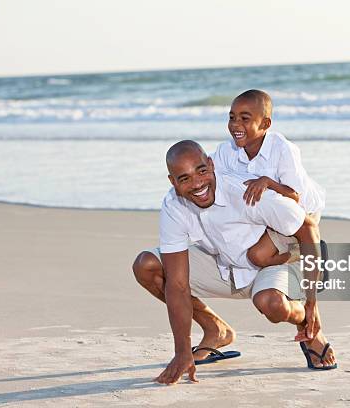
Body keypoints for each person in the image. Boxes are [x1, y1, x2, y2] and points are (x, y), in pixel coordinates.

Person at [132, 140, 336, 385]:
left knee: (270, 303)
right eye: (184, 178)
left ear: (211, 164)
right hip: (225, 266)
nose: (197, 184)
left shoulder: (246, 191)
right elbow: (177, 285)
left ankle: (308, 325)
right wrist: (182, 351)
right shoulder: (174, 206)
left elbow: (307, 228)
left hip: (272, 264)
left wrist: (312, 301)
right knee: (147, 265)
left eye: (201, 171)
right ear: (172, 182)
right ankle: (216, 330)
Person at [212, 89, 326, 268]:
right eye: (232, 117)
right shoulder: (227, 150)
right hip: (272, 210)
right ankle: (292, 249)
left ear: (265, 124)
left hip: (303, 210)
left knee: (258, 256)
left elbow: (295, 197)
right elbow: (208, 171)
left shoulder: (283, 149)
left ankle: (306, 253)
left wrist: (268, 182)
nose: (235, 124)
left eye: (245, 118)